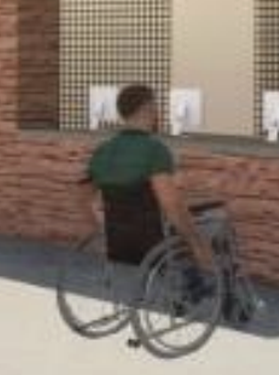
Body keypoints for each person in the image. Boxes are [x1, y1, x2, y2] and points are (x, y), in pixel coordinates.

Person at [73, 84, 216, 274]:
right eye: (156, 106)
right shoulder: (154, 150)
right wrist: (197, 244)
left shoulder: (102, 151)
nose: (158, 111)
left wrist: (99, 230)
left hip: (119, 243)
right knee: (213, 222)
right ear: (147, 108)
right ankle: (204, 281)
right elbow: (171, 205)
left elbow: (82, 199)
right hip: (153, 244)